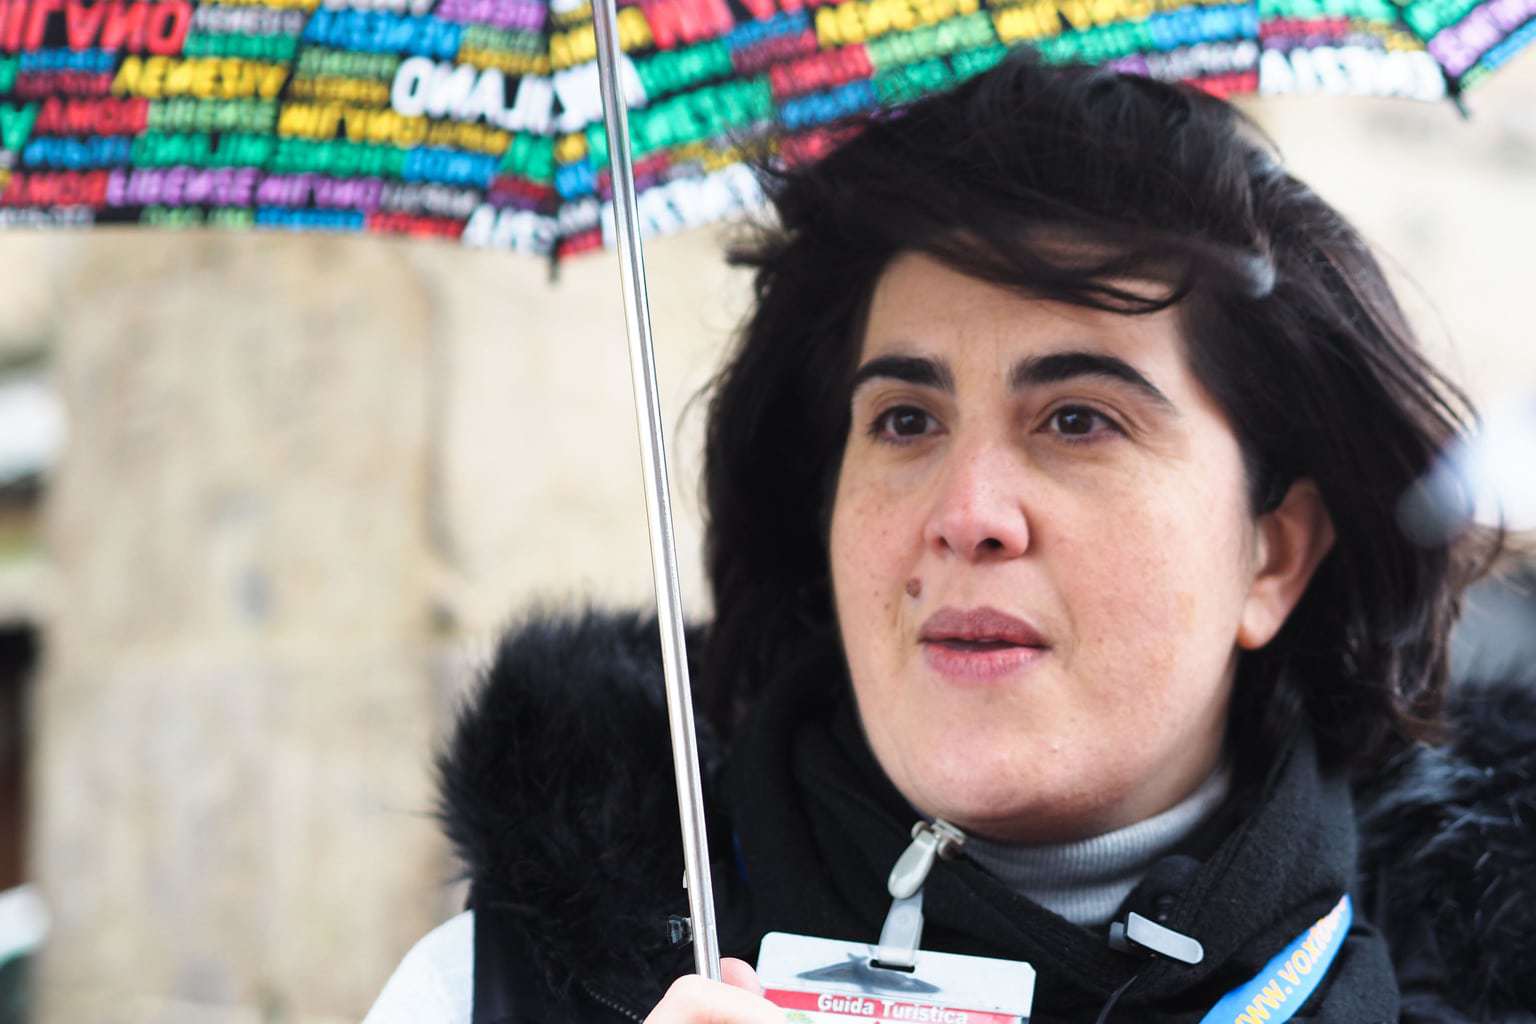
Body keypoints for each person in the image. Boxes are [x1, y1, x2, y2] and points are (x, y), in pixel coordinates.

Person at [364, 54, 1535, 1024]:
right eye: (906, 420)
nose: (968, 512)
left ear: (1272, 555)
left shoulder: (1485, 974)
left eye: (1077, 420)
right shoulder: (492, 989)